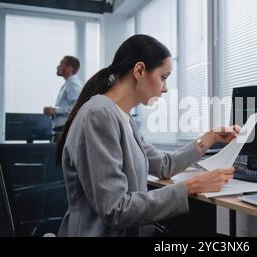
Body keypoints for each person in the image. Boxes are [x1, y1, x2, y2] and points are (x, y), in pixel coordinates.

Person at [56, 34, 240, 237]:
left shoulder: (124, 119)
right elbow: (116, 210)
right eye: (163, 77)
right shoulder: (99, 115)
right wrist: (191, 185)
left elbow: (164, 165)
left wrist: (211, 136)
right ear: (140, 70)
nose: (166, 88)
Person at [44, 56, 82, 142]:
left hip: (64, 131)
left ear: (69, 69)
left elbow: (77, 107)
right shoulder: (68, 83)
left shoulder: (73, 83)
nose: (58, 67)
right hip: (60, 131)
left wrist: (55, 110)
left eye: (61, 64)